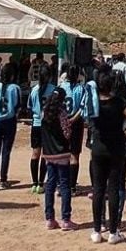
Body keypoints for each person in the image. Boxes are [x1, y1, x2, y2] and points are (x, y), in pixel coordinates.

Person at [90, 70, 126, 245]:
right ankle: (113, 232)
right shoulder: (119, 102)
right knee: (113, 189)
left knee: (98, 190)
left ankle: (97, 231)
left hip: (98, 147)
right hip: (116, 149)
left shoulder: (94, 102)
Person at [42, 87, 77, 231]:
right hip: (61, 152)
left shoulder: (44, 113)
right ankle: (66, 219)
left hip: (49, 153)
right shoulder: (61, 113)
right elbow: (67, 133)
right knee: (64, 185)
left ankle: (49, 218)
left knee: (50, 184)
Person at [0, 66, 20, 190]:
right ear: (12, 76)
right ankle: (3, 180)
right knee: (6, 151)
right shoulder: (15, 88)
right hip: (9, 121)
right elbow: (17, 107)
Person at [29, 65, 56, 193]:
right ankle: (41, 182)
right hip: (48, 125)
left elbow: (30, 106)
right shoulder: (53, 90)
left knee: (35, 154)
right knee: (45, 154)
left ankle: (34, 183)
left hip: (36, 124)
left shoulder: (34, 90)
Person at [60, 65, 85, 194]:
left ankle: (62, 185)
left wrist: (64, 120)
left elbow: (58, 106)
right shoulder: (81, 88)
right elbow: (82, 107)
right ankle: (72, 186)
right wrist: (73, 119)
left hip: (62, 122)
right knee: (74, 156)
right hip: (76, 122)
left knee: (63, 155)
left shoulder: (61, 88)